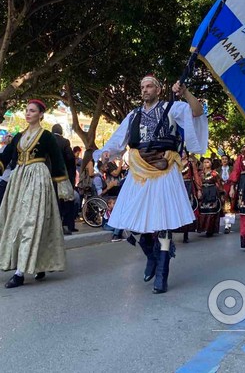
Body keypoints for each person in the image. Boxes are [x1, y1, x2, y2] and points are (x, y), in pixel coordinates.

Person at [93, 75, 207, 294]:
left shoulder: (172, 107)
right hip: (138, 169)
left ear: (158, 89)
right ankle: (152, 256)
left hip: (164, 169)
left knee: (163, 223)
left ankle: (162, 273)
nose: (145, 89)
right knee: (129, 222)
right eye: (142, 86)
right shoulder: (133, 114)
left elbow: (197, 112)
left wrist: (184, 93)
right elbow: (118, 141)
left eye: (149, 86)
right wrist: (108, 152)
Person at [0, 99, 73, 289]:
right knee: (17, 221)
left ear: (41, 114)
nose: (28, 113)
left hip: (38, 180)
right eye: (26, 110)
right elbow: (6, 157)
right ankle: (36, 264)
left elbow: (58, 161)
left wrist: (63, 187)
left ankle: (20, 273)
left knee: (31, 222)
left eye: (32, 111)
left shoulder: (47, 136)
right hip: (18, 181)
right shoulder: (19, 136)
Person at [52, 123, 78, 235]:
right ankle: (68, 225)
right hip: (62, 176)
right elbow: (70, 158)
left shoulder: (47, 140)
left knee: (52, 201)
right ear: (61, 131)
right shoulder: (64, 142)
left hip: (48, 175)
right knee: (67, 200)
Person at [197, 157, 221, 237]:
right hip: (203, 192)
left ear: (211, 163)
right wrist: (199, 191)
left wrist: (220, 193)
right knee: (203, 210)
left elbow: (219, 183)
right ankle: (202, 228)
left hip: (212, 192)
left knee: (211, 210)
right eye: (204, 162)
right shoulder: (200, 174)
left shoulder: (214, 173)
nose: (206, 163)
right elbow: (197, 183)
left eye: (208, 162)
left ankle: (210, 230)